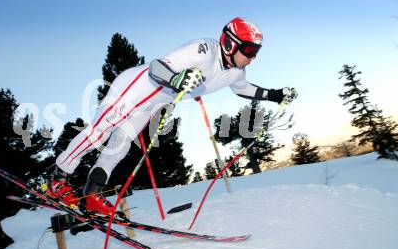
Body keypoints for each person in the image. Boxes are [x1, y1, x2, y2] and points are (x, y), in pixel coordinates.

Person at [48, 17, 297, 216]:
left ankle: (91, 194)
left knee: (120, 144)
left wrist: (275, 94)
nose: (253, 57)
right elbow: (157, 66)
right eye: (250, 50)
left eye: (257, 52)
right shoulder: (204, 49)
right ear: (231, 43)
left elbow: (245, 89)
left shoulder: (235, 71)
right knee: (99, 131)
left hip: (153, 103)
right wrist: (177, 78)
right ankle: (58, 179)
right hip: (137, 87)